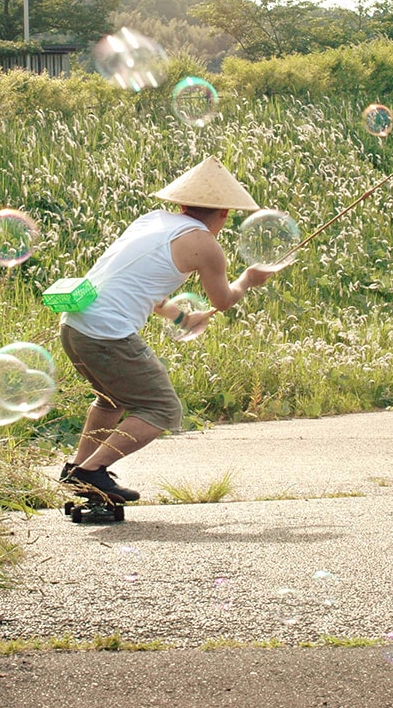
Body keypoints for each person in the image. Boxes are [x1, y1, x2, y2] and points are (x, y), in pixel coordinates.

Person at [58, 155, 273, 502]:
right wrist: (248, 279)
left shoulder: (152, 220)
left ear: (182, 203)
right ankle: (91, 472)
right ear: (225, 214)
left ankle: (79, 469)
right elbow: (223, 300)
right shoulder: (206, 245)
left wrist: (183, 319)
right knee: (162, 409)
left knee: (112, 400)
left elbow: (145, 288)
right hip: (107, 333)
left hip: (75, 324)